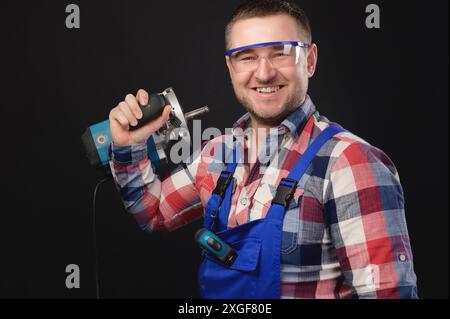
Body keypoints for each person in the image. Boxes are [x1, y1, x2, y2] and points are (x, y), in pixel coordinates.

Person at [107, 0, 418, 299]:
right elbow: (152, 212)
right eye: (247, 57)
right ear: (230, 67)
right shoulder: (217, 153)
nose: (265, 72)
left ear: (309, 61)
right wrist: (128, 145)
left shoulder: (350, 162)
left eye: (281, 53)